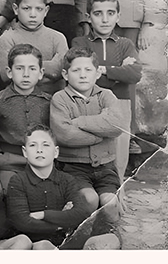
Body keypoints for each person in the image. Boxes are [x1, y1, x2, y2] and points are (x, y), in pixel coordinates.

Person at [50, 46, 126, 216]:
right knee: (88, 199)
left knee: (110, 202)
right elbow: (65, 135)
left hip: (105, 166)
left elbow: (116, 125)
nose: (83, 75)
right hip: (73, 167)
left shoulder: (106, 95)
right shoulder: (60, 98)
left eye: (88, 70)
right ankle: (84, 235)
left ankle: (108, 235)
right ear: (65, 74)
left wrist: (80, 122)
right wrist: (101, 135)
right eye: (76, 70)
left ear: (97, 73)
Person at [72, 0, 142, 169]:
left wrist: (101, 69)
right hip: (90, 103)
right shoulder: (80, 43)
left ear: (118, 16)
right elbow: (82, 74)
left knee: (119, 157)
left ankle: (118, 194)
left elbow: (134, 74)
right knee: (94, 154)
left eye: (110, 13)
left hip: (120, 103)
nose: (105, 19)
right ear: (88, 17)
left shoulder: (125, 44)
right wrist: (118, 70)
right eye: (98, 14)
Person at [5, 124, 95, 249]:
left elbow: (80, 214)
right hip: (34, 245)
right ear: (25, 152)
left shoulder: (67, 180)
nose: (39, 150)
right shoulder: (18, 181)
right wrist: (60, 223)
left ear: (56, 152)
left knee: (107, 240)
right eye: (32, 145)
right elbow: (22, 222)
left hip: (64, 241)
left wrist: (43, 215)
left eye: (46, 145)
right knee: (43, 246)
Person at [0, 44, 51, 190]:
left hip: (42, 161)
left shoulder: (49, 102)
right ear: (9, 72)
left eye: (32, 69)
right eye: (19, 68)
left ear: (41, 73)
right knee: (12, 191)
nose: (26, 74)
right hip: (9, 162)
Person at [0, 0, 69, 96]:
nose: (33, 14)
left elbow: (61, 70)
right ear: (16, 9)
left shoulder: (58, 38)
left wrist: (22, 67)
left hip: (53, 98)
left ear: (46, 11)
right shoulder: (8, 38)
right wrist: (49, 66)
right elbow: (6, 75)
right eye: (26, 8)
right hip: (19, 98)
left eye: (39, 9)